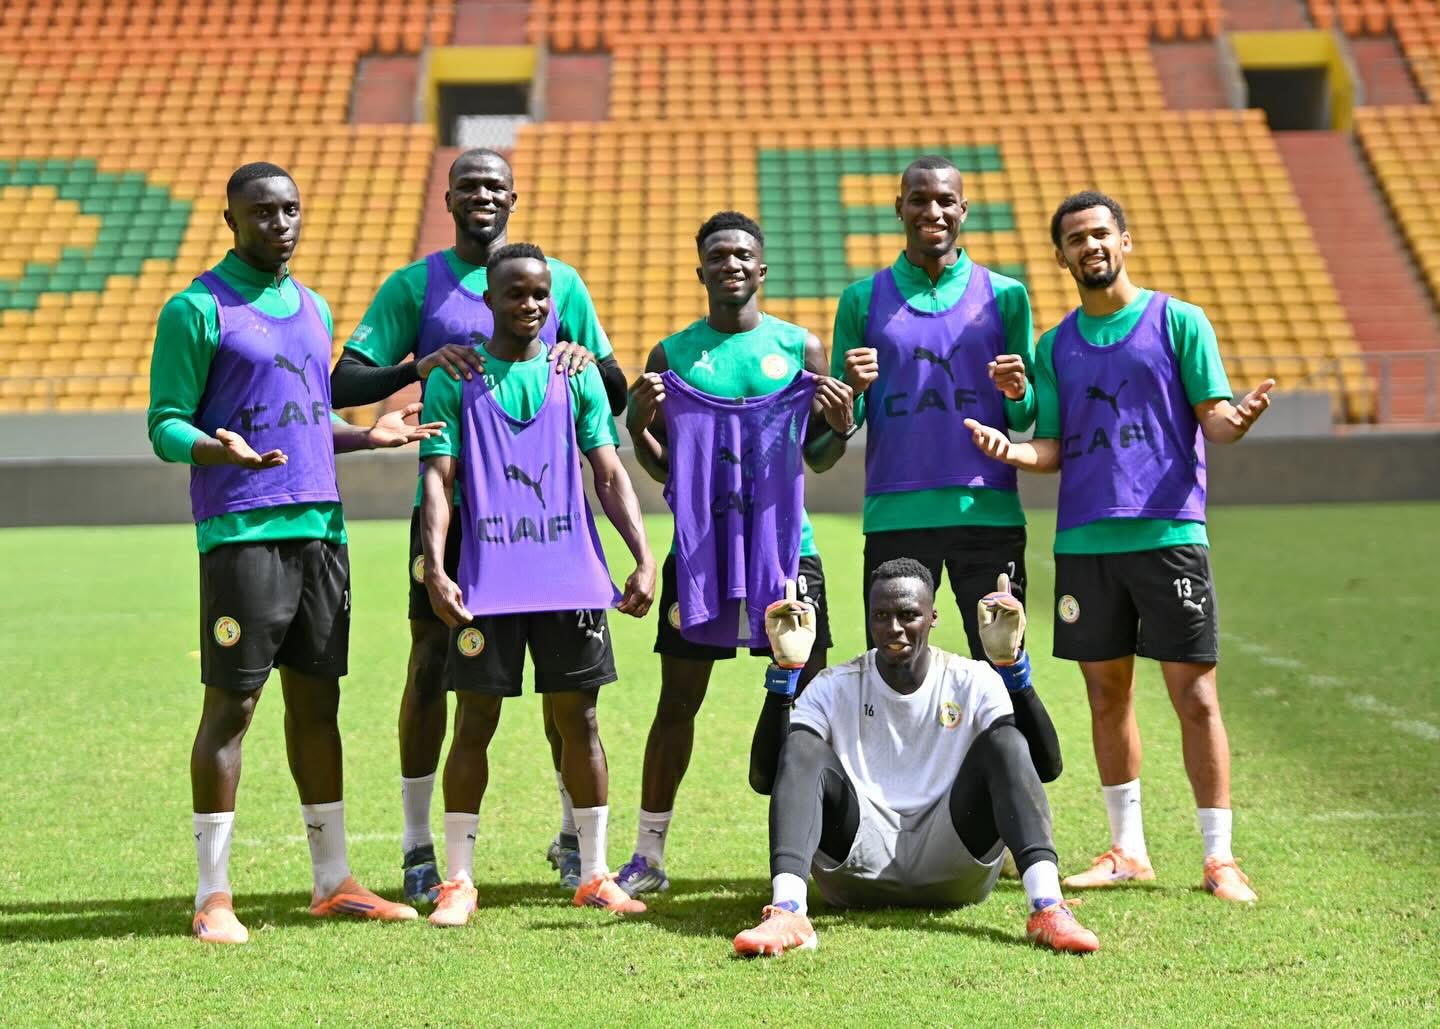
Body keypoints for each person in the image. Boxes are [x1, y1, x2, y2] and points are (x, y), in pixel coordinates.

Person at [147, 162, 443, 944]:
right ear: (231, 219)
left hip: (323, 531)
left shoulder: (311, 306)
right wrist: (218, 448)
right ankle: (213, 894)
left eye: (290, 210)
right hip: (244, 532)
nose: (280, 224)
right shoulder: (196, 309)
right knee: (233, 706)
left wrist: (365, 435)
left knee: (318, 705)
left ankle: (332, 879)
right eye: (263, 212)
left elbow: (308, 422)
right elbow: (165, 422)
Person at [329, 147, 625, 901]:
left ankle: (573, 841)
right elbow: (346, 380)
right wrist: (420, 364)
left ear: (514, 197)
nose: (482, 196)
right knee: (434, 669)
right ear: (452, 199)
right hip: (455, 517)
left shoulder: (560, 283)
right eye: (468, 186)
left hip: (546, 521)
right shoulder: (415, 285)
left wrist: (576, 353)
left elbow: (612, 389)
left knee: (569, 687)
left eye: (495, 185)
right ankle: (419, 846)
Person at [963, 190, 1274, 903]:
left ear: (1125, 240)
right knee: (1108, 695)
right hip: (1084, 541)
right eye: (1076, 238)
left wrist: (1240, 416)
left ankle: (1218, 856)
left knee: (1194, 696)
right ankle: (1127, 848)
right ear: (1062, 254)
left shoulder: (1178, 321)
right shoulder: (1056, 345)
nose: (1091, 245)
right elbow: (1054, 448)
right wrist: (1010, 447)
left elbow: (1216, 423)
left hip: (1168, 536)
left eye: (1101, 232)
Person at [416, 243, 657, 924]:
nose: (529, 305)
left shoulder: (573, 375)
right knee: (475, 721)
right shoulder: (456, 378)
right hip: (487, 584)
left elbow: (608, 470)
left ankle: (596, 872)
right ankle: (458, 880)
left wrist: (642, 555)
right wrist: (436, 565)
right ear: (489, 300)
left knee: (579, 721)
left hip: (569, 582)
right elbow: (438, 479)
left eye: (540, 295)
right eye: (515, 293)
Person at [619, 211, 855, 897]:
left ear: (762, 267)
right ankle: (648, 853)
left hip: (788, 553)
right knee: (677, 700)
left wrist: (841, 425)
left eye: (742, 254)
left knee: (812, 704)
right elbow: (664, 466)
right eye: (718, 255)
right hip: (700, 549)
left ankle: (823, 851)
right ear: (701, 271)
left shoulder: (801, 350)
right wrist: (639, 421)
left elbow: (818, 456)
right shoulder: (673, 357)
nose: (731, 264)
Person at [733, 560, 1098, 956]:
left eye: (909, 615)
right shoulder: (834, 685)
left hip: (957, 862)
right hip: (855, 867)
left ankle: (1046, 906)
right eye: (882, 616)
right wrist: (784, 675)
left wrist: (1013, 669)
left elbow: (1046, 766)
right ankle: (788, 911)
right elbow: (766, 778)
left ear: (933, 617)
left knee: (1006, 740)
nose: (894, 628)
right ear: (869, 618)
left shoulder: (971, 678)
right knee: (803, 745)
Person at [830, 155, 1037, 661]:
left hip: (986, 512)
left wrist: (1018, 392)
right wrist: (851, 390)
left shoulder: (1006, 296)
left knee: (1002, 662)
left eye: (946, 200)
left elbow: (1024, 416)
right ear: (899, 208)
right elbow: (844, 419)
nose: (933, 211)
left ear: (964, 209)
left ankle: (1006, 746)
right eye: (919, 200)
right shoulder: (861, 298)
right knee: (894, 666)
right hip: (896, 515)